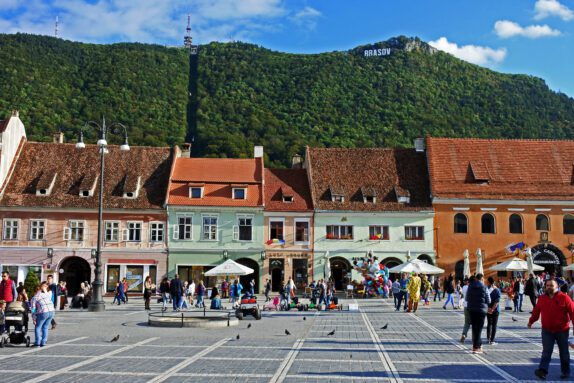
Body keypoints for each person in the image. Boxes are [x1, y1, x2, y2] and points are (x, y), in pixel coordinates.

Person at [528, 278, 574, 380]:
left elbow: (572, 312)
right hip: (547, 330)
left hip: (562, 330)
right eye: (547, 285)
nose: (549, 287)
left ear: (557, 287)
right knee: (546, 352)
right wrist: (531, 321)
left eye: (551, 285)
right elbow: (536, 311)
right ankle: (543, 371)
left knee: (564, 352)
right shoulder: (542, 298)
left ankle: (565, 372)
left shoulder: (565, 298)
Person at [466, 273, 490, 353]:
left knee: (474, 327)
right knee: (479, 329)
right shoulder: (484, 287)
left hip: (472, 309)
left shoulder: (470, 286)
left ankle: (477, 345)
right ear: (482, 278)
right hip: (481, 310)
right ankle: (476, 347)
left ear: (476, 278)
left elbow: (467, 298)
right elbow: (488, 300)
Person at [30, 282, 56, 347]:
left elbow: (33, 309)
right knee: (45, 327)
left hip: (43, 312)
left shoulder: (34, 298)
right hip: (52, 311)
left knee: (38, 327)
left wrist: (34, 319)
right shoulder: (45, 295)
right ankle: (43, 342)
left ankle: (37, 342)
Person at [486, 276, 501, 345]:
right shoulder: (497, 290)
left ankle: (488, 338)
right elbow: (497, 302)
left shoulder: (486, 289)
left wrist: (488, 308)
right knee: (494, 325)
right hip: (495, 310)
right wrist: (493, 309)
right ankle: (492, 340)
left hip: (488, 309)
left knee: (489, 324)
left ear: (488, 282)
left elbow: (485, 300)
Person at [460, 277, 474, 343]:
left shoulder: (464, 287)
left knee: (467, 323)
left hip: (466, 306)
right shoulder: (474, 287)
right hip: (473, 306)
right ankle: (475, 338)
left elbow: (462, 294)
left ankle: (464, 334)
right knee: (475, 323)